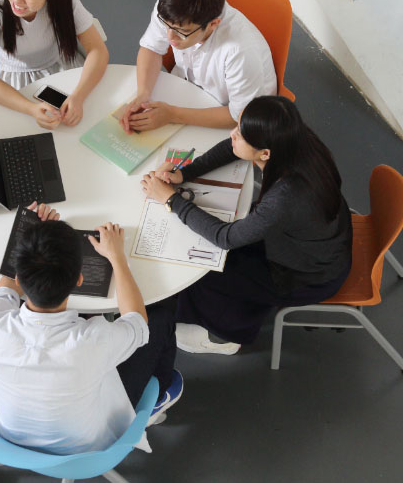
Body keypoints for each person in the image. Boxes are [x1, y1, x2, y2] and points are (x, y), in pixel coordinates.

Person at [139, 95, 352, 354]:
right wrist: (185, 173)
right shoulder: (295, 140)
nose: (232, 134)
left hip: (306, 275)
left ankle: (227, 337)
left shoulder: (285, 197)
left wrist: (170, 199)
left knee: (205, 273)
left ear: (264, 153)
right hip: (320, 241)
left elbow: (224, 237)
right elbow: (234, 146)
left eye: (240, 134)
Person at [0, 204, 182, 455]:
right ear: (79, 280)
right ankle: (158, 397)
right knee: (160, 317)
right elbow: (137, 321)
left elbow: (6, 287)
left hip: (9, 437)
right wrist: (117, 257)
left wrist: (31, 235)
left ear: (19, 278)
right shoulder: (92, 341)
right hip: (87, 446)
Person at [120, 0, 276, 133]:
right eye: (166, 25)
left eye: (182, 32)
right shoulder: (172, 10)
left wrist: (173, 115)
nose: (170, 36)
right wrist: (143, 93)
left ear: (212, 24)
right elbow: (152, 48)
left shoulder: (240, 51)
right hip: (188, 89)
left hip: (230, 116)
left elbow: (239, 115)